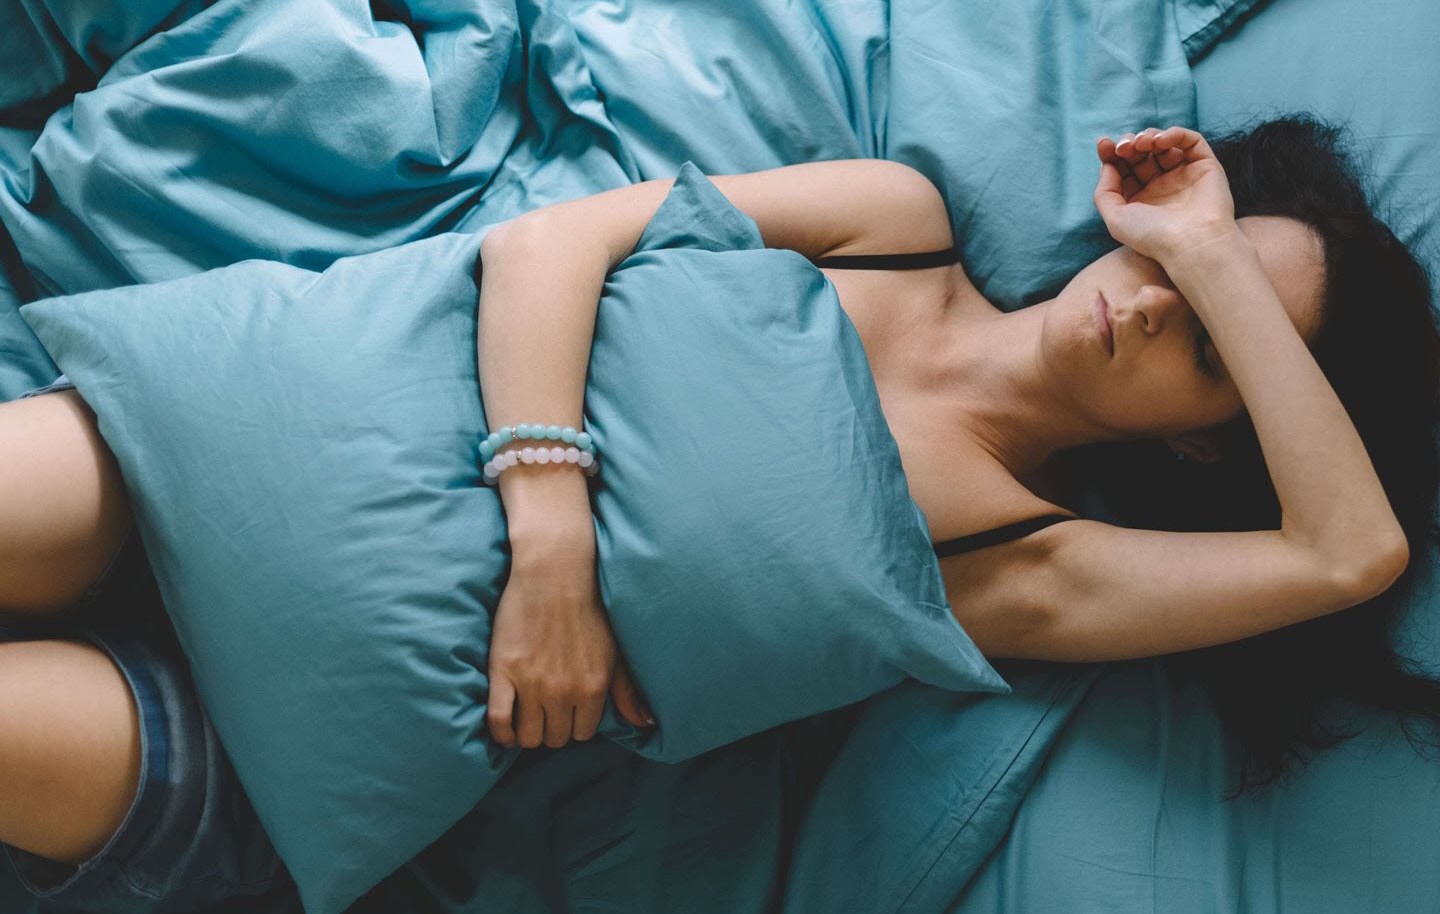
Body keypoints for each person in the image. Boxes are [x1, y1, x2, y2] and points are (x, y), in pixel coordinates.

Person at [0, 113, 1435, 910]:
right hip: (244, 443)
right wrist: (550, 534)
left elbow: (1346, 552)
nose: (1146, 300)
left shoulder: (1025, 561)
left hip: (280, 743)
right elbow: (553, 243)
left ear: (1208, 445)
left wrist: (1216, 251)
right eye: (1166, 262)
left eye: (1207, 336)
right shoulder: (895, 215)